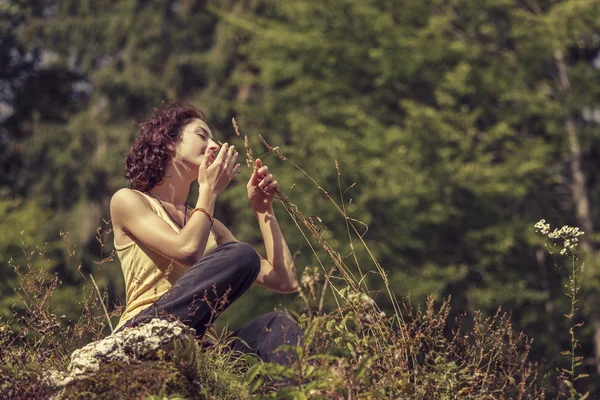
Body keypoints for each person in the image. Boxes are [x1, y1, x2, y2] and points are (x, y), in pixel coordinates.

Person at [109, 101, 303, 367]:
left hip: (202, 347)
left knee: (278, 325)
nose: (215, 145)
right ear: (169, 142)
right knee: (241, 253)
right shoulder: (129, 201)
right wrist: (208, 191)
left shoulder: (209, 224)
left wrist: (263, 210)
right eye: (203, 136)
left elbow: (285, 280)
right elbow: (186, 251)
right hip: (146, 329)